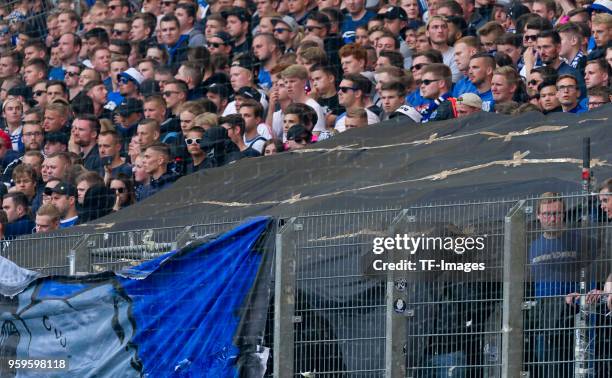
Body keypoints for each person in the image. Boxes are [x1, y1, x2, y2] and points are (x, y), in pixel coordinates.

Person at [529, 192, 588, 378]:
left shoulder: (577, 241)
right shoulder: (534, 246)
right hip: (543, 318)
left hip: (571, 316)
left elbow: (589, 275)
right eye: (547, 214)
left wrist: (581, 298)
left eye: (556, 213)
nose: (552, 219)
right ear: (538, 215)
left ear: (564, 215)